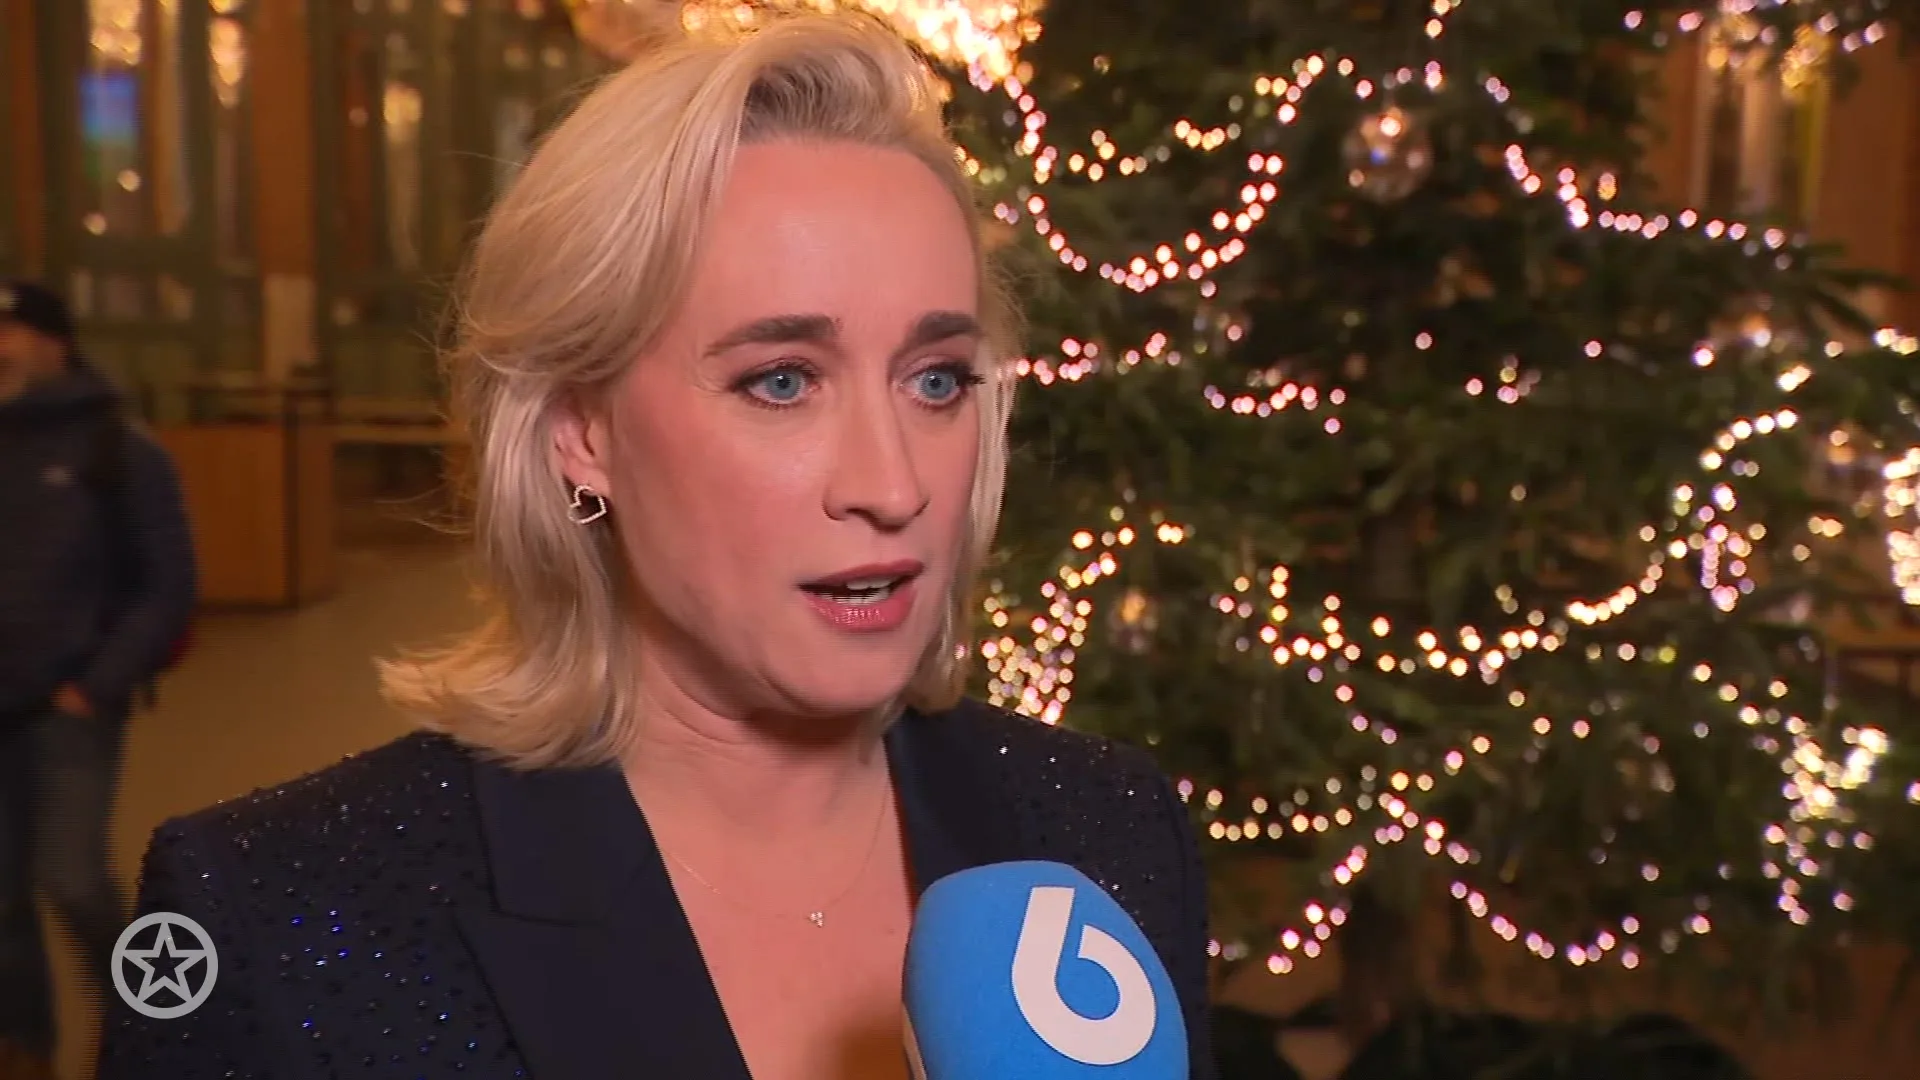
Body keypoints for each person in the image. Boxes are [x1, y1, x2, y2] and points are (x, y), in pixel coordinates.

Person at [97, 11, 1214, 1079]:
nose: (893, 485)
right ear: (581, 431)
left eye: (935, 381)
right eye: (782, 381)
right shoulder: (273, 922)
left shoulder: (1106, 833)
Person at [0, 279, 195, 1075]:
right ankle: (23, 1047)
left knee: (73, 879)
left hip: (70, 709)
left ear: (55, 342)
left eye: (8, 331)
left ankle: (156, 1027)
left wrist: (97, 684)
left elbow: (169, 583)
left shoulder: (119, 448)